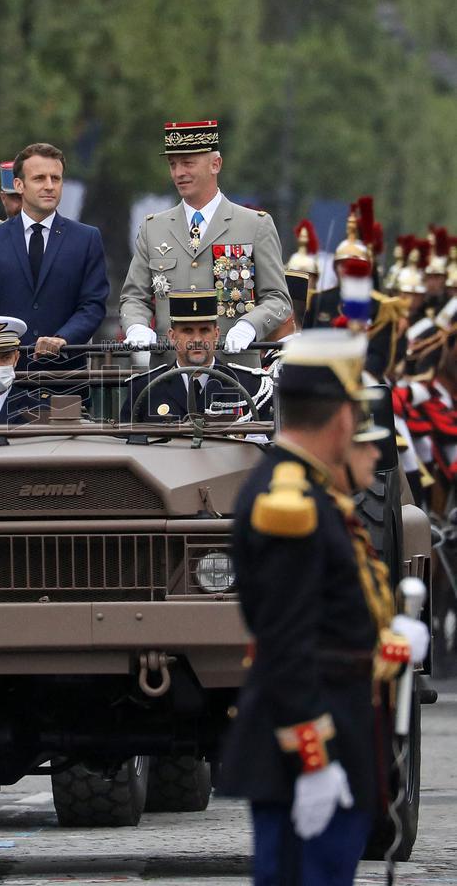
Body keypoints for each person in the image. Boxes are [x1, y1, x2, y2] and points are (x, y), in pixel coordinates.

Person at [218, 328, 429, 886]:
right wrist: (313, 761)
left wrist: (391, 645)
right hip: (310, 751)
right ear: (339, 418)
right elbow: (286, 644)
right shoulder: (290, 503)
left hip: (334, 739)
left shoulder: (312, 494)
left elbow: (332, 626)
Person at [119, 120, 291, 362]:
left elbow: (278, 298)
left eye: (187, 163)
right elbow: (134, 297)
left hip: (233, 368)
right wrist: (137, 325)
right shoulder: (153, 228)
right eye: (172, 164)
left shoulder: (254, 225)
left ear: (215, 164)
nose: (178, 173)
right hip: (169, 372)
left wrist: (249, 325)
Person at [0, 142, 109, 368]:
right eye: (39, 178)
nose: (49, 186)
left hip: (65, 374)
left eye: (56, 178)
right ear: (19, 185)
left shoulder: (86, 238)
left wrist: (63, 338)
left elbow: (93, 305)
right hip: (4, 373)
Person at [120, 290, 266, 423]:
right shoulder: (146, 388)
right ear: (172, 336)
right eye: (188, 331)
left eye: (204, 330)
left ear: (216, 334)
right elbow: (128, 439)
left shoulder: (247, 385)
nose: (197, 339)